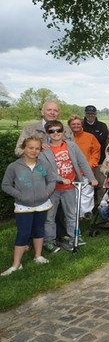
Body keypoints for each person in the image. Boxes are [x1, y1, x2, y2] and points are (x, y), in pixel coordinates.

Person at [1, 137, 57, 276]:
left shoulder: (43, 165)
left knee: (39, 229)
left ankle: (38, 256)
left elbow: (51, 180)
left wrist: (47, 192)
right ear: (24, 148)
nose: (33, 151)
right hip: (23, 206)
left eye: (37, 148)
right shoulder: (14, 167)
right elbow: (6, 185)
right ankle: (16, 264)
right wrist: (20, 195)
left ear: (40, 150)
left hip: (42, 204)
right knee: (23, 233)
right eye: (30, 147)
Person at [40, 120, 98, 251]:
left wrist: (92, 178)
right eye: (51, 131)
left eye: (58, 130)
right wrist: (60, 179)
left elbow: (82, 162)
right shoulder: (44, 150)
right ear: (47, 133)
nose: (55, 133)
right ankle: (49, 240)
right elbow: (45, 170)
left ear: (63, 132)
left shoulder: (71, 146)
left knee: (72, 214)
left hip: (70, 187)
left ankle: (74, 237)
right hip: (52, 189)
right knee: (50, 216)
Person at [68, 115, 101, 218]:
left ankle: (86, 214)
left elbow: (96, 152)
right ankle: (74, 214)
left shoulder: (90, 137)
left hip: (86, 171)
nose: (76, 126)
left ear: (81, 124)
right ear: (69, 125)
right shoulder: (65, 138)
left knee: (87, 193)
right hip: (70, 171)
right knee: (73, 194)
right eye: (73, 124)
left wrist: (90, 166)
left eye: (78, 124)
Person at [82, 105, 108, 201]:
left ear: (95, 114)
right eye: (88, 113)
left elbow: (102, 139)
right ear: (85, 113)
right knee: (86, 184)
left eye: (92, 113)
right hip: (83, 160)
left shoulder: (102, 126)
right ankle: (86, 206)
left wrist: (88, 139)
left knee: (101, 183)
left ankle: (100, 204)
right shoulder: (81, 125)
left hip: (99, 160)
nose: (90, 115)